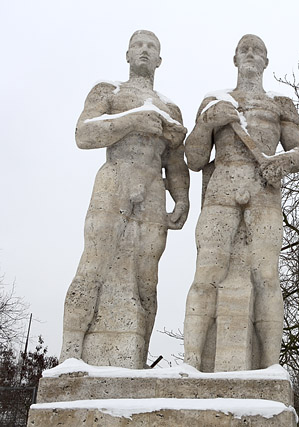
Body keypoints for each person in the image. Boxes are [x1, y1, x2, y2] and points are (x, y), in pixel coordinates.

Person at [60, 30, 189, 367]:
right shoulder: (110, 91)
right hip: (116, 174)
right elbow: (84, 133)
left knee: (148, 278)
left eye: (152, 47)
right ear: (128, 54)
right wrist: (133, 120)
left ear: (159, 60)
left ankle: (137, 361)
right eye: (139, 45)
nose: (145, 51)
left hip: (152, 187)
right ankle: (70, 354)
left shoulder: (169, 107)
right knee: (94, 264)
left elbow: (175, 160)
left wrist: (182, 197)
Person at [183, 34, 299, 370]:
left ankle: (270, 367)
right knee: (206, 274)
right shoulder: (215, 101)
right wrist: (209, 122)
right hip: (222, 188)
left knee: (267, 276)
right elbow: (194, 158)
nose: (251, 54)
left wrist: (279, 163)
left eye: (258, 51)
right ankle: (191, 362)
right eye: (244, 50)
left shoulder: (280, 104)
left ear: (266, 61)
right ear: (235, 58)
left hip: (263, 192)